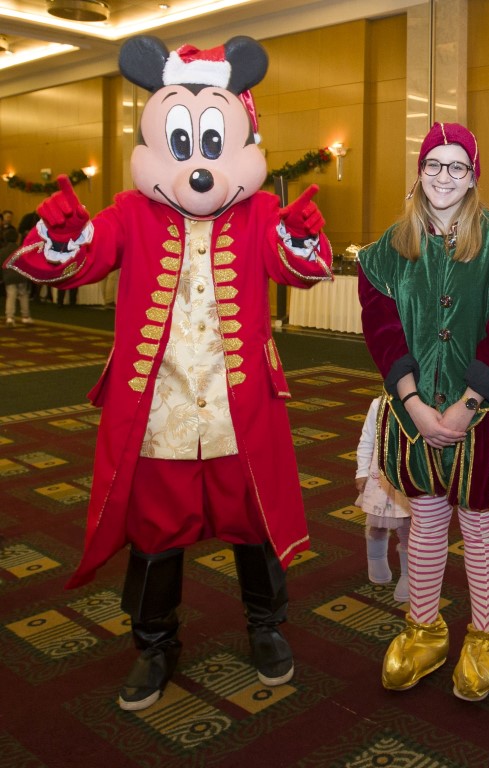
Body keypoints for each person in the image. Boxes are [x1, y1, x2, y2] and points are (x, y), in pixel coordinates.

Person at [5, 35, 333, 712]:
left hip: (239, 407)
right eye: (182, 145)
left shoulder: (257, 212)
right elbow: (76, 261)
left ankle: (266, 627)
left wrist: (301, 233)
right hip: (159, 410)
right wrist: (63, 232)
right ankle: (155, 644)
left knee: (254, 521)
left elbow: (299, 264)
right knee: (156, 532)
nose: (199, 165)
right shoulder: (132, 212)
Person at [357, 121, 489, 701]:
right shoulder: (389, 247)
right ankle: (424, 628)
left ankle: (486, 638)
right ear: (420, 172)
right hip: (414, 410)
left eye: (457, 166)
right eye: (434, 164)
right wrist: (411, 402)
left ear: (473, 175)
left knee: (481, 523)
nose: (444, 176)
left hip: (481, 413)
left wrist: (466, 405)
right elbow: (382, 330)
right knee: (428, 517)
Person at [355, 397, 412, 602]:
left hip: (408, 478)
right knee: (376, 522)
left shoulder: (425, 403)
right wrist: (361, 472)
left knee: (406, 526)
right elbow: (367, 439)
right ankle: (376, 559)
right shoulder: (378, 404)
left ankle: (409, 574)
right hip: (380, 477)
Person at [3, 227, 32, 326]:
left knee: (11, 296)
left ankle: (10, 318)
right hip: (21, 277)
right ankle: (26, 317)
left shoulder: (2, 251)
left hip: (9, 277)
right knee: (23, 295)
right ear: (17, 239)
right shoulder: (22, 250)